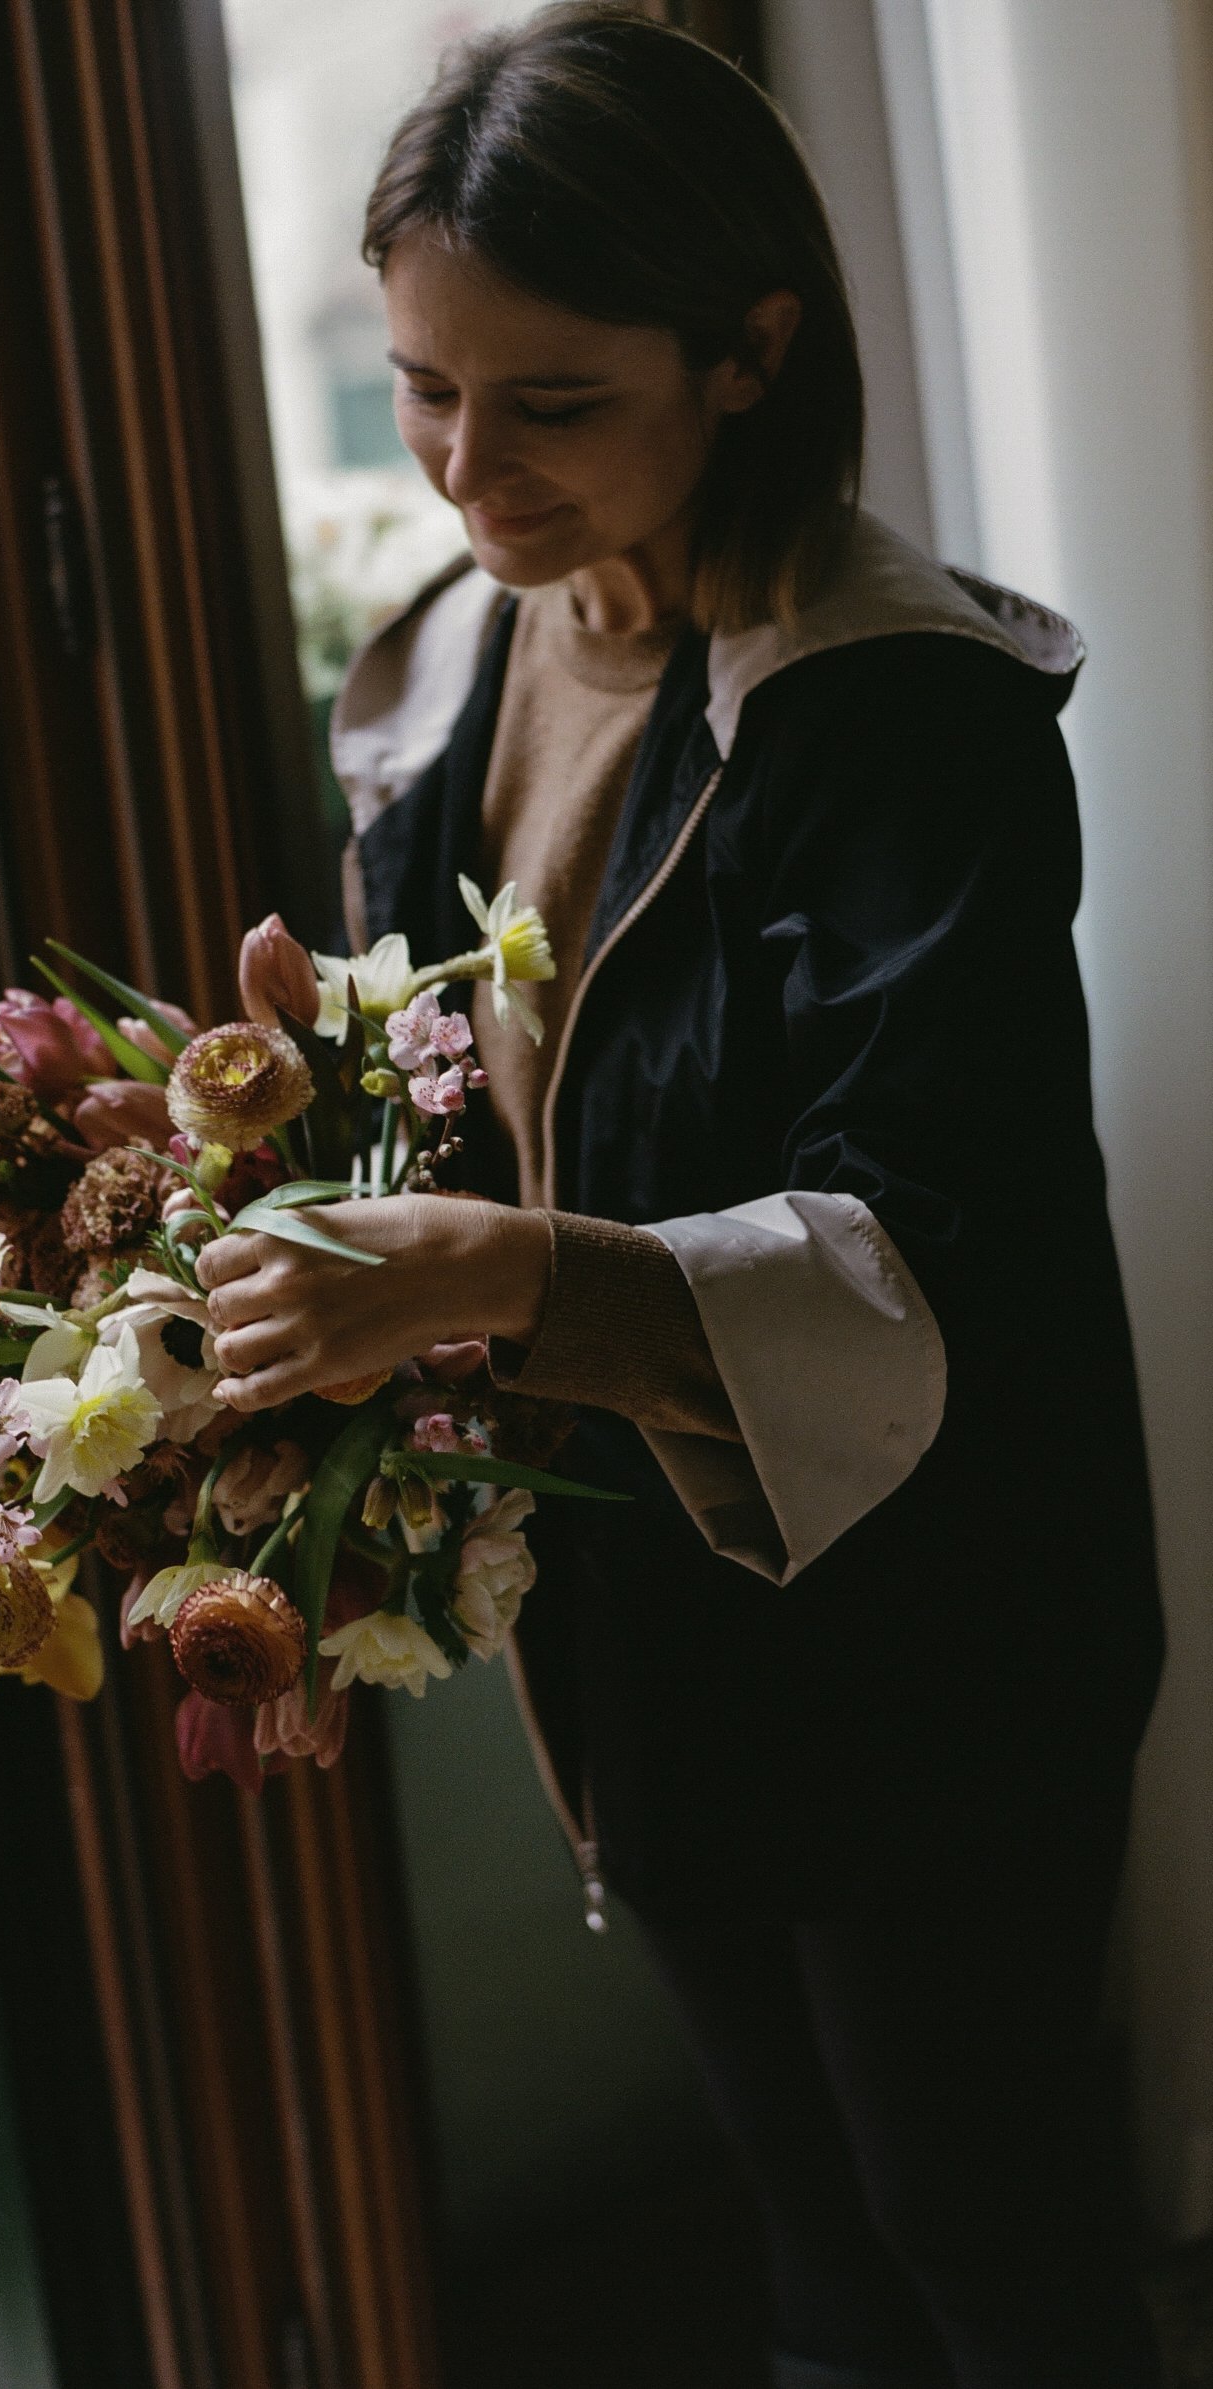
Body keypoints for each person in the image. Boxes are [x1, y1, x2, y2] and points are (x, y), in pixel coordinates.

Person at [193, 10, 1166, 2388]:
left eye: (547, 401)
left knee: (984, 2233)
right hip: (641, 1611)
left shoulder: (893, 716)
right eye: (423, 386)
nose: (461, 468)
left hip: (936, 1623)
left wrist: (510, 1273)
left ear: (748, 355)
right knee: (813, 2236)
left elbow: (916, 1246)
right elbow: (483, 1106)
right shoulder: (440, 677)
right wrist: (278, 1146)